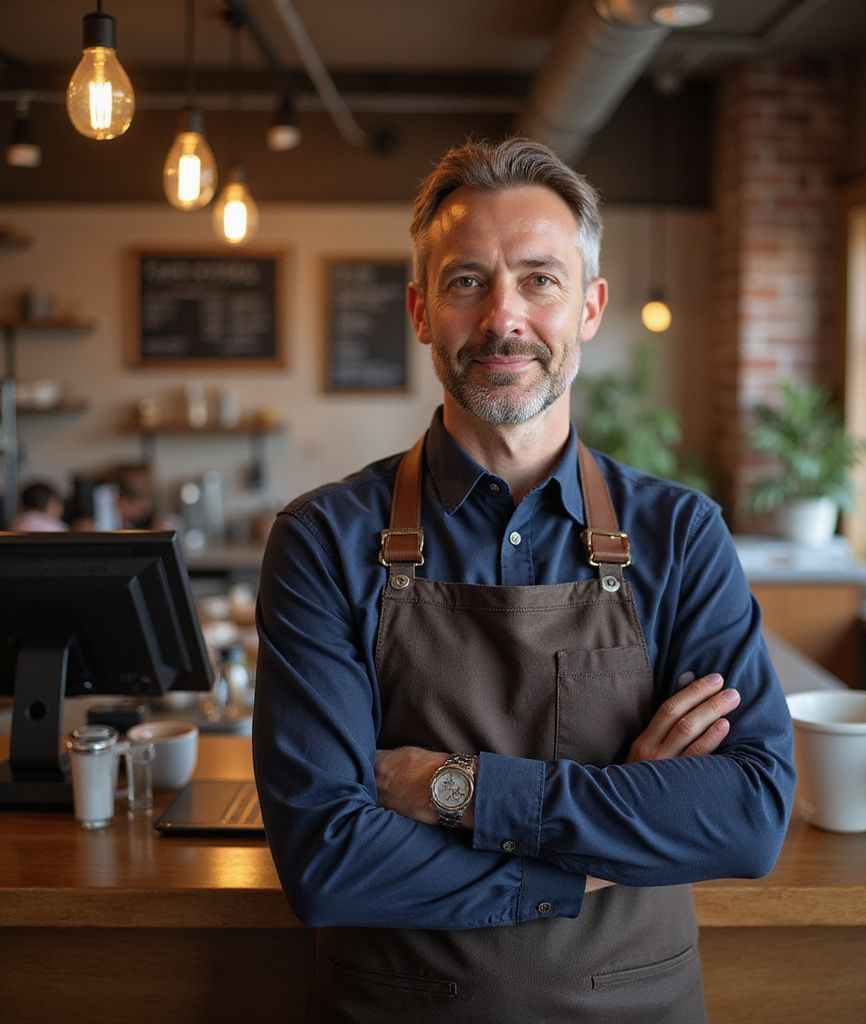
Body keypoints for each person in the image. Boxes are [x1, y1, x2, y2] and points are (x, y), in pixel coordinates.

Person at [253, 137, 794, 1024]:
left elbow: (746, 815)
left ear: (590, 308)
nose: (504, 317)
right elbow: (326, 862)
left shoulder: (681, 534)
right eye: (468, 280)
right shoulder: (322, 540)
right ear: (423, 311)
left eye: (540, 279)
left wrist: (451, 789)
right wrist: (604, 844)